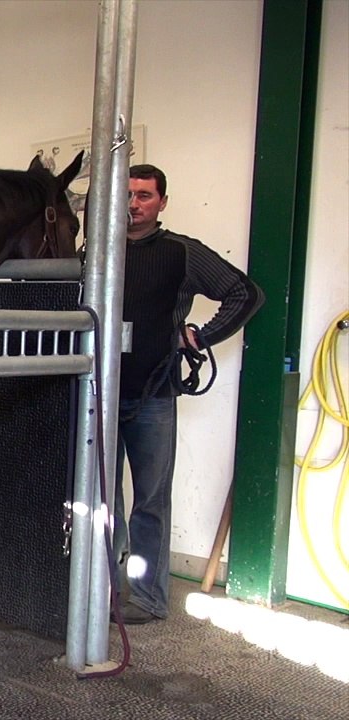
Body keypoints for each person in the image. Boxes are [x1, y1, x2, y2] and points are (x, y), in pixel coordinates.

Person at [112, 164, 263, 624]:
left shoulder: (181, 252)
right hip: (98, 389)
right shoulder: (96, 253)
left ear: (161, 202)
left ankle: (148, 598)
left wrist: (200, 336)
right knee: (100, 499)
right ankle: (104, 592)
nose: (134, 203)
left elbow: (244, 293)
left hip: (154, 395)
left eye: (144, 195)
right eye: (128, 194)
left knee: (150, 502)